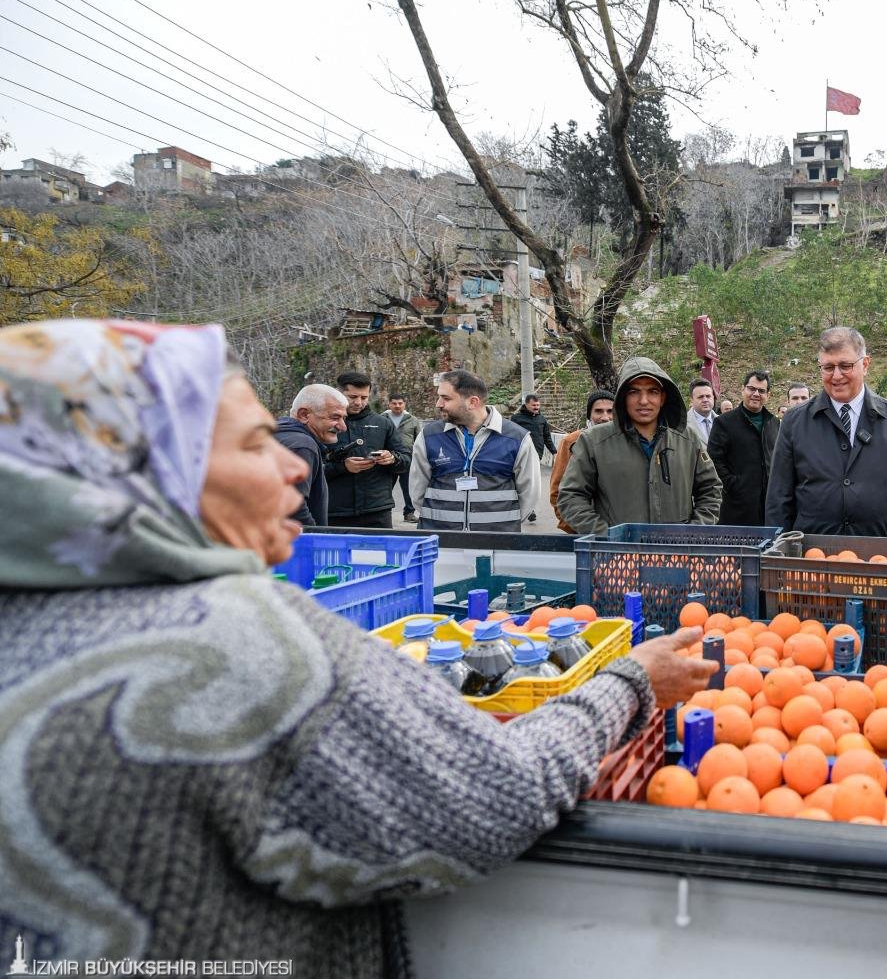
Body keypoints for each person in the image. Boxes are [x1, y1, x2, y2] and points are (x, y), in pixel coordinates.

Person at [0, 318, 715, 975]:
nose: (298, 468)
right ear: (137, 465)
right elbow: (488, 800)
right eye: (254, 444)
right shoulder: (231, 635)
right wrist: (629, 681)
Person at [766, 327, 887, 537]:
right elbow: (779, 497)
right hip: (813, 554)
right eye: (828, 367)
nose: (836, 376)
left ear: (865, 364)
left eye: (845, 366)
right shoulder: (794, 422)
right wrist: (781, 556)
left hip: (881, 554)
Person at [557, 357, 722, 534]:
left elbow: (710, 490)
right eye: (634, 392)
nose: (644, 400)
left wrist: (692, 533)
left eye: (652, 391)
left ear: (663, 397)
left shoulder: (687, 439)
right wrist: (606, 535)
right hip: (616, 556)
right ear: (622, 397)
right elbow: (571, 497)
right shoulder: (594, 441)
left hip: (676, 554)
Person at [410, 370, 540, 531]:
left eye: (446, 398)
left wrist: (500, 525)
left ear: (472, 402)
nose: (438, 404)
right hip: (439, 539)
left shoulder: (517, 438)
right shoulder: (429, 436)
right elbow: (417, 492)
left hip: (497, 542)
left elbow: (529, 493)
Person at [326, 371, 407, 529]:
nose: (358, 402)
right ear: (339, 394)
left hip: (377, 511)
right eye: (353, 397)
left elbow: (406, 460)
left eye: (364, 397)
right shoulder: (324, 423)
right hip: (335, 512)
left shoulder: (383, 423)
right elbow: (311, 469)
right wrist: (343, 467)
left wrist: (391, 459)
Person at [707, 370, 780, 526]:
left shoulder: (774, 423)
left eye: (761, 391)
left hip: (768, 508)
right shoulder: (724, 423)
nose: (756, 394)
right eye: (751, 388)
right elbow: (715, 460)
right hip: (736, 507)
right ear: (743, 389)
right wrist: (734, 484)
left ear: (768, 395)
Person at [273, 384, 346, 527]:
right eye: (335, 417)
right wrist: (316, 537)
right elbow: (293, 507)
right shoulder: (303, 446)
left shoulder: (277, 436)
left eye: (344, 418)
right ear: (304, 415)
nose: (343, 426)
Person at [549, 389, 615, 534]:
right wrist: (573, 527)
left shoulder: (623, 441)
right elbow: (557, 491)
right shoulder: (572, 441)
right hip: (582, 530)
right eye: (598, 411)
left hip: (617, 531)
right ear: (589, 415)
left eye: (610, 411)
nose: (605, 417)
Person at [509, 393, 558, 522]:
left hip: (537, 455)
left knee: (531, 483)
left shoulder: (542, 419)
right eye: (534, 405)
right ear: (526, 405)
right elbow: (508, 436)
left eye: (538, 405)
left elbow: (547, 437)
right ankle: (524, 508)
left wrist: (554, 452)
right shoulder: (516, 418)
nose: (536, 407)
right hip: (519, 455)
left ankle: (529, 508)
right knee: (520, 482)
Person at [384, 392, 422, 522]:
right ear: (389, 404)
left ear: (404, 404)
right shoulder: (382, 419)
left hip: (407, 460)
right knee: (385, 487)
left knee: (408, 488)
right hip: (387, 459)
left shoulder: (413, 420)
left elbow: (419, 441)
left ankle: (409, 513)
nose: (397, 406)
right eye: (394, 403)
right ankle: (384, 512)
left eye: (400, 403)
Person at [687, 378, 718, 443]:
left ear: (713, 397)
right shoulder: (683, 425)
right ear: (691, 400)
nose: (705, 400)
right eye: (700, 397)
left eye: (708, 396)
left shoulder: (723, 422)